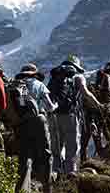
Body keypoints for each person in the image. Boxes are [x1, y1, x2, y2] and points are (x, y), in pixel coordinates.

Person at [13, 64, 57, 193]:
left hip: (21, 124)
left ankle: (22, 189)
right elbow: (49, 106)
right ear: (34, 74)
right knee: (45, 154)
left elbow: (21, 105)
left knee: (24, 156)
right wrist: (55, 106)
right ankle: (47, 187)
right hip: (39, 122)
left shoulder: (19, 85)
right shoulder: (39, 84)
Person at [48, 54, 88, 175]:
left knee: (56, 146)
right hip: (70, 115)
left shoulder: (54, 77)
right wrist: (98, 105)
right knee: (72, 146)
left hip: (54, 115)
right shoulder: (77, 76)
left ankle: (55, 172)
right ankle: (71, 173)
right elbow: (85, 93)